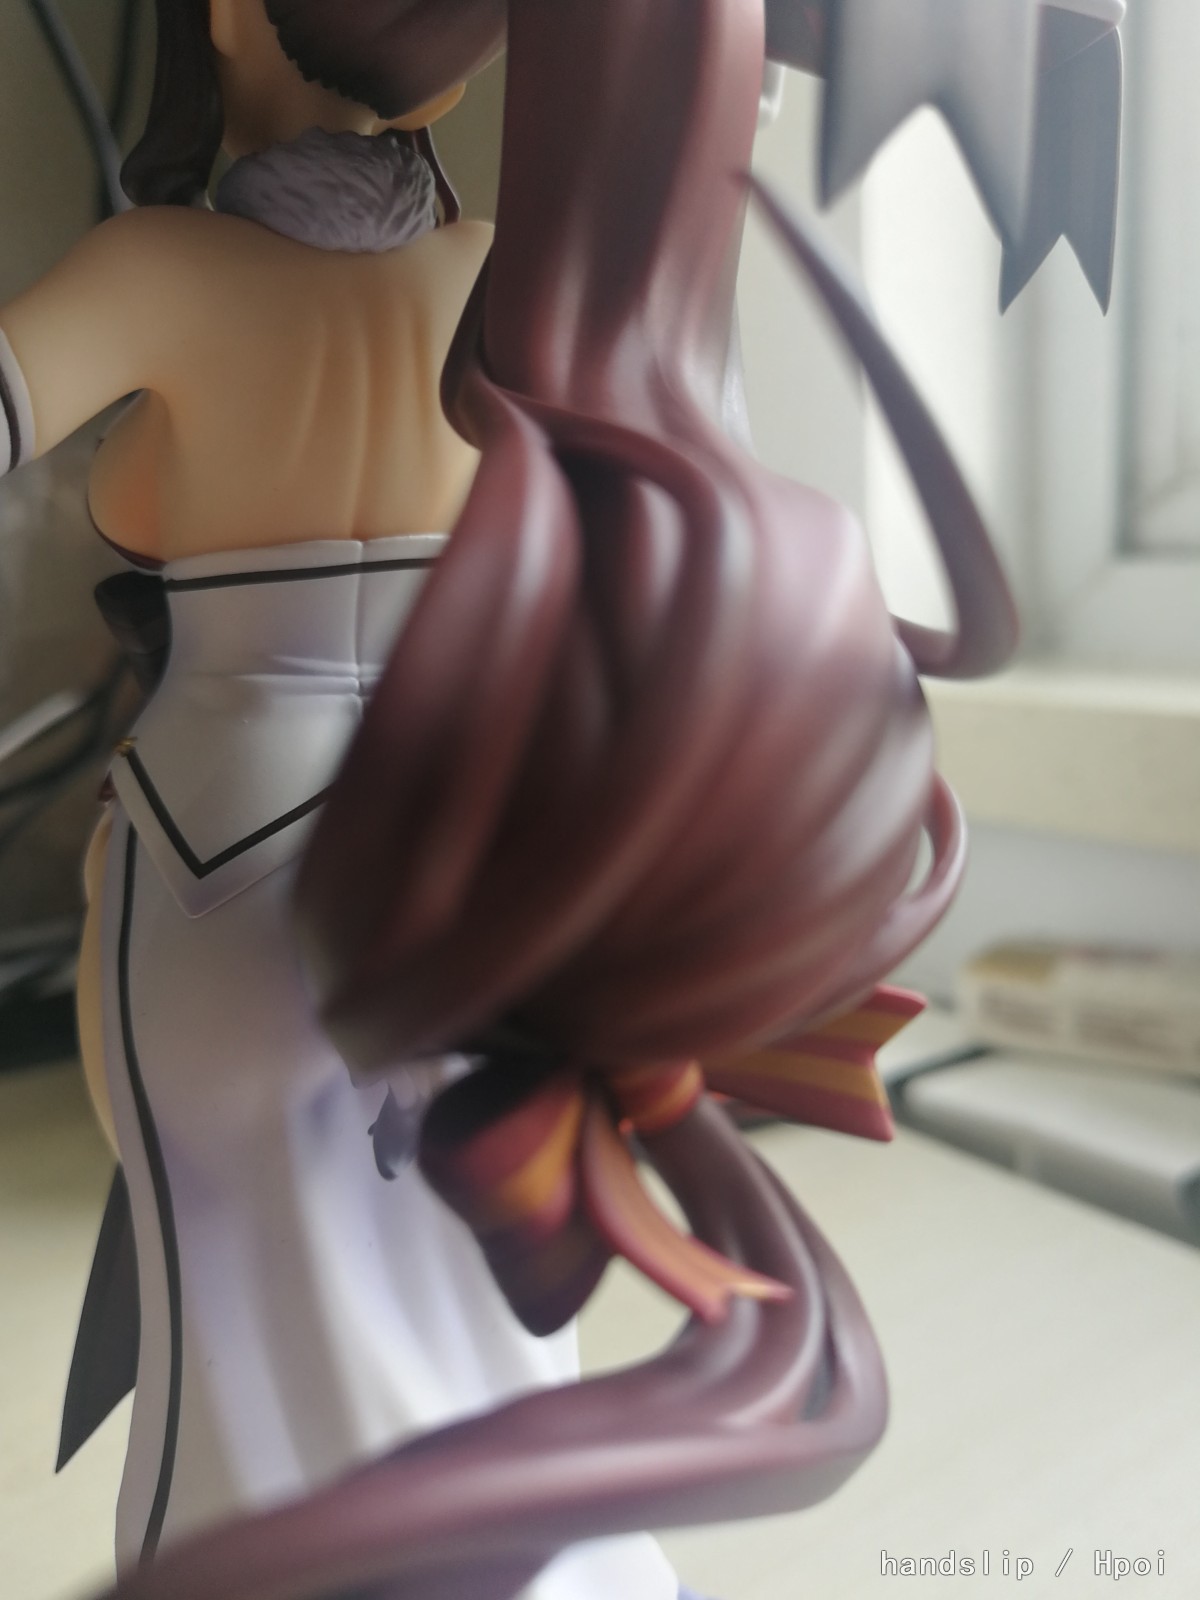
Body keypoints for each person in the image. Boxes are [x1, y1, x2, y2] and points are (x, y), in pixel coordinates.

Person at [0, 2, 1122, 1597]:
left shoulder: (159, 275)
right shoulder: (518, 284)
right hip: (482, 841)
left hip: (219, 842)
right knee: (472, 1280)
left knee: (245, 1308)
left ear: (231, 14)